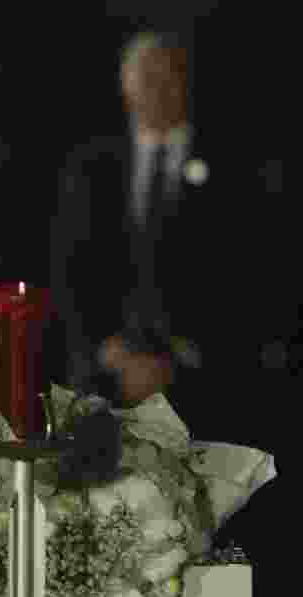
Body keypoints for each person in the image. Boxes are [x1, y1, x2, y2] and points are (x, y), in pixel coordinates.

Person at [49, 31, 231, 424]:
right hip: (105, 378)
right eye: (144, 76)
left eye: (166, 75)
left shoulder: (235, 166)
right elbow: (69, 268)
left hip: (208, 382)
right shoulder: (90, 167)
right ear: (124, 85)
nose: (156, 88)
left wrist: (179, 358)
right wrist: (106, 349)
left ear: (184, 80)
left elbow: (242, 267)